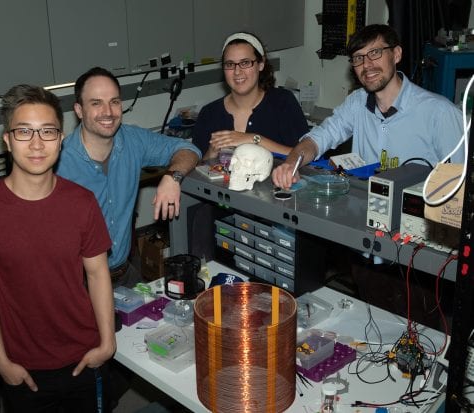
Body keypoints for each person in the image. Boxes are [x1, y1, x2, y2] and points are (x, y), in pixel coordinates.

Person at [0, 84, 116, 412]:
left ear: (60, 139)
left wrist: (107, 342)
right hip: (22, 368)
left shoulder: (82, 203)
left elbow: (98, 274)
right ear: (7, 139)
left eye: (47, 131)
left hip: (83, 357)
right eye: (24, 132)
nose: (36, 143)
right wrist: (0, 361)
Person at [56, 66, 201, 288]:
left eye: (114, 101)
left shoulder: (132, 139)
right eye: (96, 103)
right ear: (79, 110)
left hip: (124, 275)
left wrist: (172, 177)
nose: (108, 112)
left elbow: (189, 150)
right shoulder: (58, 163)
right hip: (78, 284)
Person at [272, 24, 464, 190]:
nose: (367, 65)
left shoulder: (440, 113)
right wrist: (291, 164)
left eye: (375, 53)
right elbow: (317, 139)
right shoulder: (357, 103)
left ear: (396, 54)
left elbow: (459, 187)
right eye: (358, 58)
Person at [192, 32, 309, 160]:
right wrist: (210, 155)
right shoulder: (209, 114)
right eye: (230, 64)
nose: (237, 71)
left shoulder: (283, 103)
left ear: (261, 64)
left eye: (245, 62)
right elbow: (195, 170)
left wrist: (254, 140)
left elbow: (304, 156)